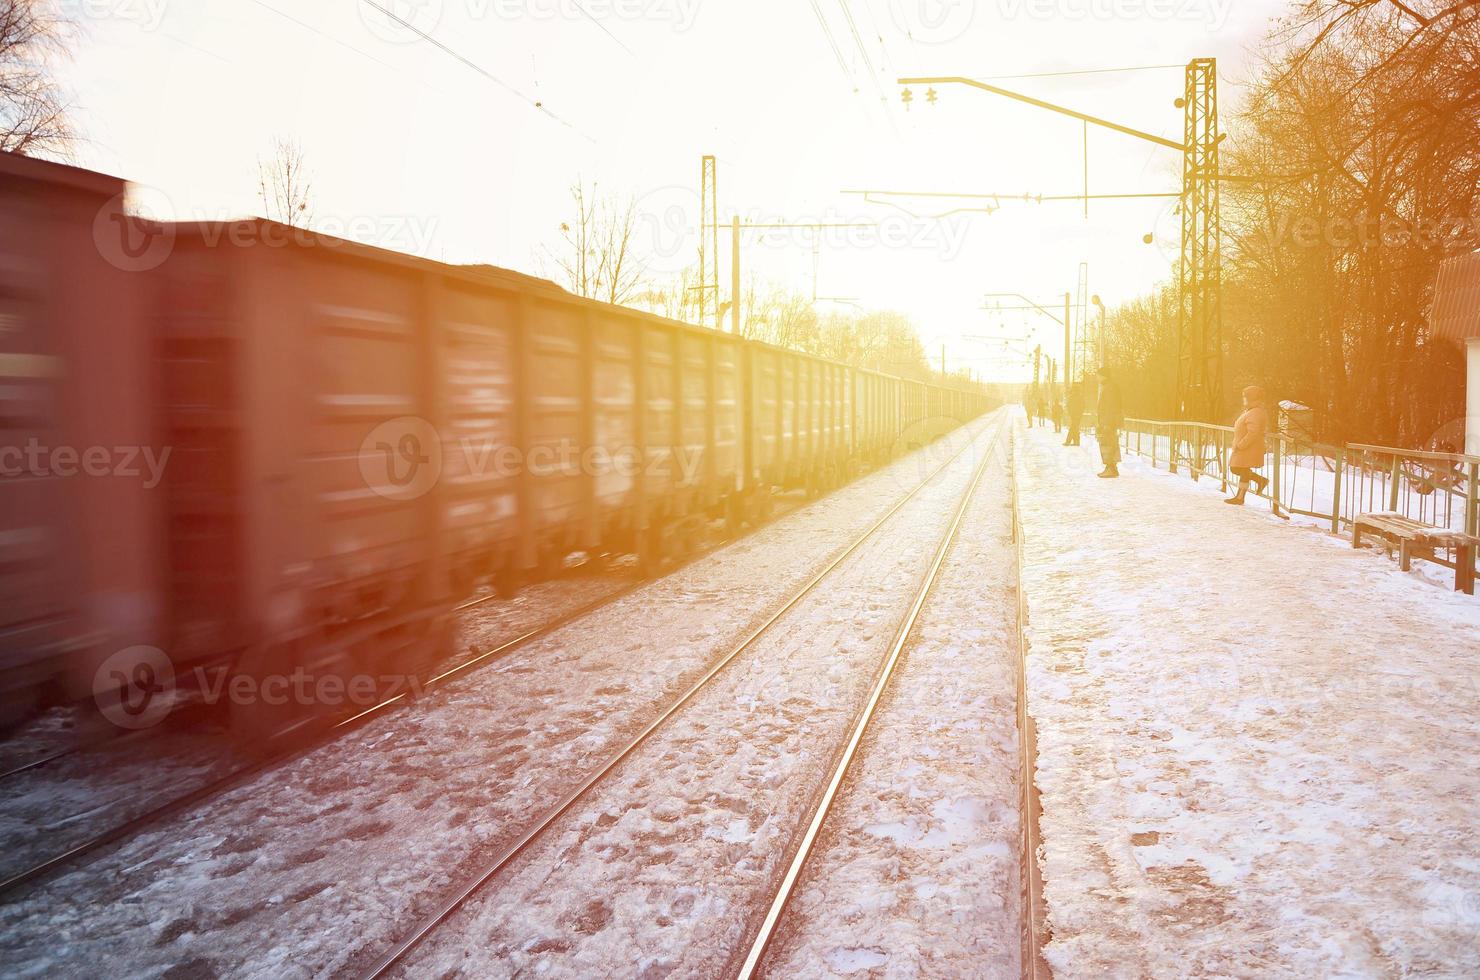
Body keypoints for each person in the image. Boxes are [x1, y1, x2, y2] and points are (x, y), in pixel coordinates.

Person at [1226, 385, 1270, 505]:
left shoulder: (1255, 412)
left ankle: (1241, 497)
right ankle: (1244, 493)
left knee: (1237, 468)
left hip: (1248, 447)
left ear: (1251, 398)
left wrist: (1241, 445)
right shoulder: (1252, 410)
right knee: (1241, 469)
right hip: (1246, 447)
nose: (1243, 399)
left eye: (1245, 397)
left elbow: (1253, 432)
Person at [1095, 366, 1124, 478]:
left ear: (1103, 375)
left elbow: (1111, 407)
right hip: (1109, 421)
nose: (1097, 378)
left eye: (1098, 375)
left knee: (1107, 444)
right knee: (1110, 443)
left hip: (1108, 422)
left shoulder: (1109, 388)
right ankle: (1112, 468)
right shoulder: (1110, 386)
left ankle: (1110, 468)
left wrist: (1107, 423)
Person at [1063, 381, 1084, 446]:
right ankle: (1076, 442)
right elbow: (1083, 406)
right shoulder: (1080, 397)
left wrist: (1069, 412)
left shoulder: (1072, 397)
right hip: (1077, 415)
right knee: (1075, 428)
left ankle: (1068, 441)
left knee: (1073, 428)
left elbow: (1068, 405)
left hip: (1074, 415)